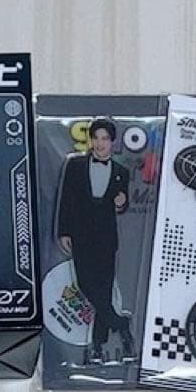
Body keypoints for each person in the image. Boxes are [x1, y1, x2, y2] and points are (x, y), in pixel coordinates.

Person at [55, 118, 134, 360]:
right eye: (96, 138)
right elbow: (66, 199)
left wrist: (121, 203)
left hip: (106, 238)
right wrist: (64, 231)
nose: (100, 143)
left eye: (105, 139)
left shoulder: (121, 172)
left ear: (112, 142)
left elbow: (123, 203)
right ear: (90, 140)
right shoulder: (75, 165)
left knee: (103, 289)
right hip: (81, 235)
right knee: (85, 284)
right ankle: (120, 324)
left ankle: (98, 346)